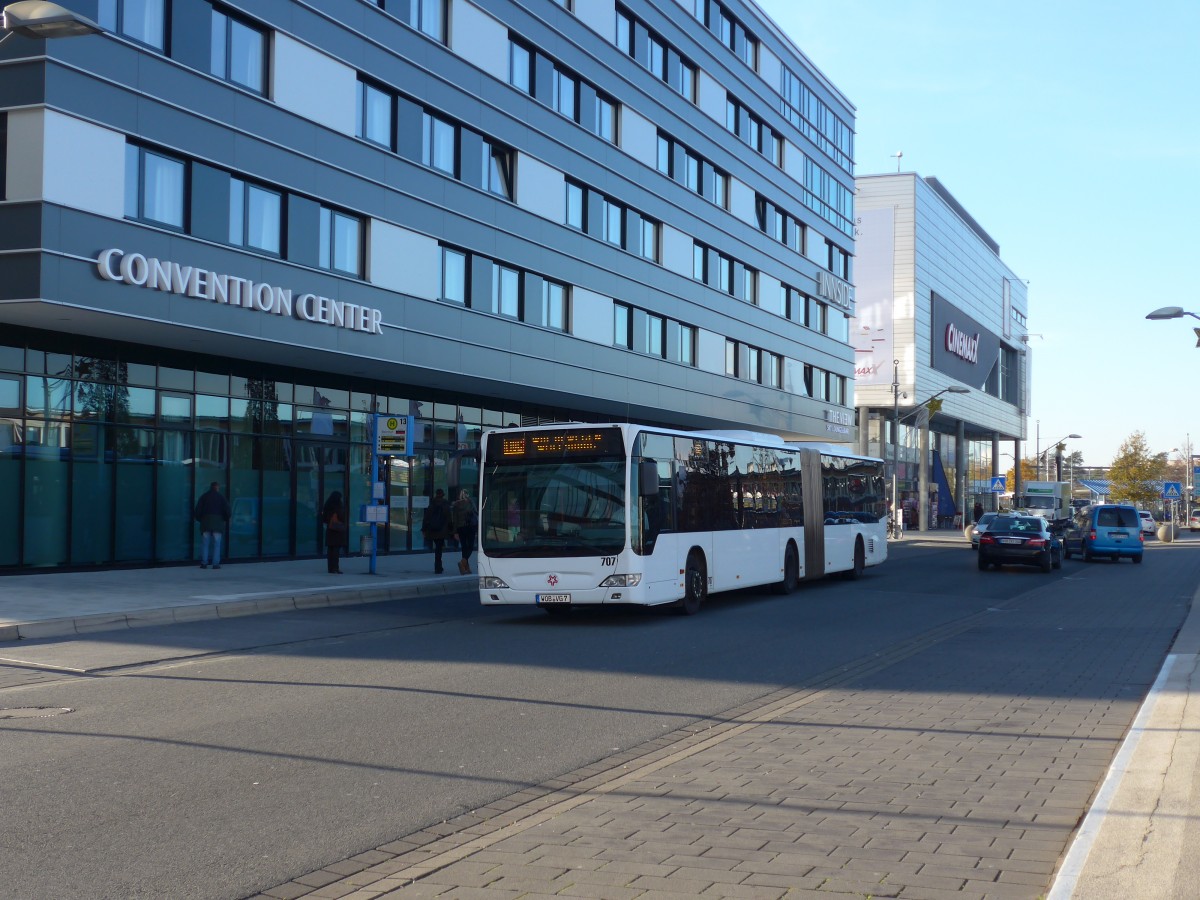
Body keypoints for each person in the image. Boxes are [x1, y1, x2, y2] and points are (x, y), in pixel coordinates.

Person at [194, 481, 230, 569]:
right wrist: (224, 519)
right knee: (217, 544)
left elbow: (197, 511)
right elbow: (228, 511)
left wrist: (201, 520)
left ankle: (204, 563)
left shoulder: (204, 497)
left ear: (210, 487)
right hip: (218, 524)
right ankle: (215, 564)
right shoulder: (221, 498)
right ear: (217, 487)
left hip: (205, 523)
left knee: (205, 544)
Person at [422, 489, 452, 574]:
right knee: (439, 549)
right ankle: (438, 567)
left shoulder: (431, 504)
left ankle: (438, 566)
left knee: (437, 548)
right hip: (442, 531)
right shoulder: (446, 504)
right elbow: (449, 518)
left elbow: (426, 518)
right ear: (443, 495)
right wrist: (451, 530)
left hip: (432, 530)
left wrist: (424, 529)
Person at [451, 489, 478, 575]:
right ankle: (463, 562)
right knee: (470, 546)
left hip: (461, 527)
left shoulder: (456, 505)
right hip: (470, 527)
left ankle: (465, 566)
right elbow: (476, 514)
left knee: (464, 547)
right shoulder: (471, 503)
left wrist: (455, 531)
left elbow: (454, 519)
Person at [322, 491, 348, 574]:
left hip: (330, 530)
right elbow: (342, 517)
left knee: (330, 550)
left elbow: (324, 519)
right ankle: (335, 568)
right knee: (336, 550)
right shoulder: (338, 506)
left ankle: (330, 568)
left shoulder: (327, 505)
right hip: (337, 531)